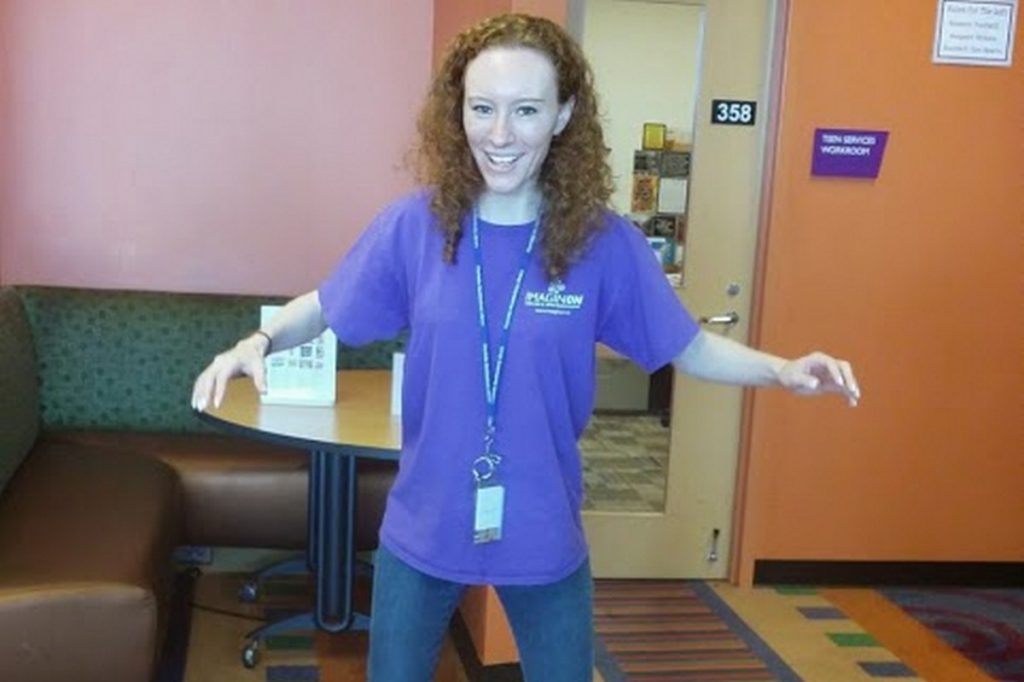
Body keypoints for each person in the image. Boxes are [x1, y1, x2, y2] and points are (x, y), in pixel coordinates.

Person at [191, 13, 860, 682]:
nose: (500, 135)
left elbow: (686, 347)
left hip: (543, 526)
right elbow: (326, 307)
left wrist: (784, 371)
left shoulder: (603, 244)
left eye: (526, 110)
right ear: (460, 111)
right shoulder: (415, 228)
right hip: (424, 527)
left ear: (564, 114)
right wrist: (258, 341)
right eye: (482, 108)